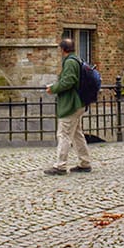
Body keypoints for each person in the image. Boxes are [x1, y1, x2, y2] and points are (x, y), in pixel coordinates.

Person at [43, 38, 93, 175]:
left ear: (62, 49)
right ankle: (85, 163)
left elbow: (69, 81)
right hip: (78, 103)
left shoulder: (70, 62)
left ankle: (60, 166)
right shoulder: (76, 59)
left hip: (71, 104)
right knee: (77, 134)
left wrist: (54, 88)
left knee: (63, 134)